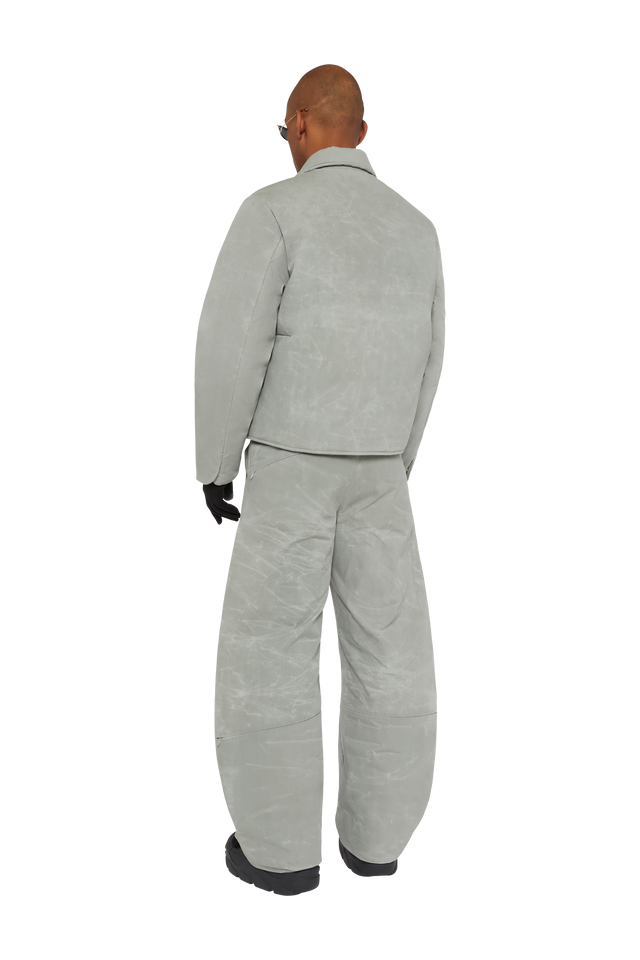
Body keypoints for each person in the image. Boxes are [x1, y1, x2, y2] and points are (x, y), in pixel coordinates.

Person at [195, 61, 447, 896]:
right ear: (363, 134)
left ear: (298, 123)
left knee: (270, 655)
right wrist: (397, 462)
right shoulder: (418, 226)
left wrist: (216, 466)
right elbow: (432, 362)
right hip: (382, 470)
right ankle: (378, 846)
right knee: (391, 654)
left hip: (289, 466)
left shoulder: (271, 210)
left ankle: (282, 859)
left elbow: (230, 346)